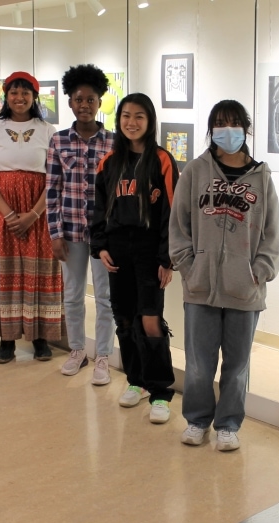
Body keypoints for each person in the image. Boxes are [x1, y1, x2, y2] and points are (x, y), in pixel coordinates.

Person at [169, 100, 279, 449]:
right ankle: (197, 421)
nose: (227, 130)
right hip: (200, 286)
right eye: (220, 123)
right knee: (199, 362)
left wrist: (259, 272)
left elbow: (272, 233)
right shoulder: (195, 171)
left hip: (244, 289)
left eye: (234, 123)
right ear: (211, 129)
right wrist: (188, 265)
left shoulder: (261, 176)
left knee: (237, 364)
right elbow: (179, 224)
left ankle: (229, 424)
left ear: (245, 128)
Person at [90, 93, 178, 423]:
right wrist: (100, 246)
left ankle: (160, 391)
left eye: (139, 116)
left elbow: (171, 212)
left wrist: (167, 259)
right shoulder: (108, 163)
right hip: (116, 250)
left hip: (148, 250)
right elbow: (98, 209)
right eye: (126, 115)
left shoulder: (162, 161)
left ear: (150, 121)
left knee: (150, 319)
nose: (132, 122)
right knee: (124, 318)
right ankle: (136, 381)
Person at [0, 71, 64, 364]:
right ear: (5, 95)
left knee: (37, 271)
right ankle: (7, 340)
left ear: (34, 96)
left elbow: (54, 178)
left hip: (38, 210)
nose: (19, 97)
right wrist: (10, 214)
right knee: (6, 272)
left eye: (25, 92)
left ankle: (40, 338)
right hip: (3, 210)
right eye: (14, 91)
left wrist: (33, 214)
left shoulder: (48, 129)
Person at [46, 64, 115, 385]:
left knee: (105, 298)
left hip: (105, 236)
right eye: (78, 99)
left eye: (91, 99)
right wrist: (54, 234)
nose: (84, 105)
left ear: (99, 102)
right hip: (70, 233)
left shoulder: (114, 143)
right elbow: (52, 190)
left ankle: (103, 356)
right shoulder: (58, 142)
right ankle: (77, 351)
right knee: (72, 295)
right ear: (70, 102)